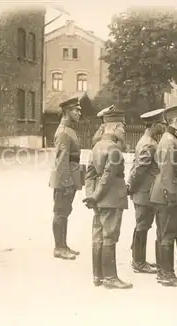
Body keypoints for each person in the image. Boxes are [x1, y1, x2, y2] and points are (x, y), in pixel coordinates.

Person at [83, 106, 132, 289]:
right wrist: (95, 197)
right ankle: (111, 278)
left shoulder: (96, 146)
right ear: (116, 127)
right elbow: (108, 176)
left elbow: (89, 174)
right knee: (110, 236)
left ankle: (98, 276)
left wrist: (91, 196)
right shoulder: (114, 149)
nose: (124, 131)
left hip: (98, 200)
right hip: (111, 198)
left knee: (98, 236)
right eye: (123, 128)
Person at [149, 104, 177, 287]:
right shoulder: (169, 140)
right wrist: (170, 194)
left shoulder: (170, 138)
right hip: (167, 191)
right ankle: (167, 274)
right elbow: (167, 169)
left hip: (165, 190)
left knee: (163, 233)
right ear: (175, 120)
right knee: (167, 234)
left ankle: (162, 271)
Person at [128, 108, 167, 274]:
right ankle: (138, 262)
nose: (164, 126)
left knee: (142, 225)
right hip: (144, 192)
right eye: (161, 124)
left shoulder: (146, 141)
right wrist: (131, 186)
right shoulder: (150, 144)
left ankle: (139, 259)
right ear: (154, 125)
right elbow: (140, 169)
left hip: (144, 191)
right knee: (142, 226)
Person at [48, 96, 85, 260]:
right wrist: (67, 183)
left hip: (69, 177)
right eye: (76, 110)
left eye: (79, 110)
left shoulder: (69, 130)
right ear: (67, 112)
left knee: (65, 212)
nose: (79, 113)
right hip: (64, 179)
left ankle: (63, 245)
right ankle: (59, 248)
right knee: (60, 212)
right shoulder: (63, 132)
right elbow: (62, 161)